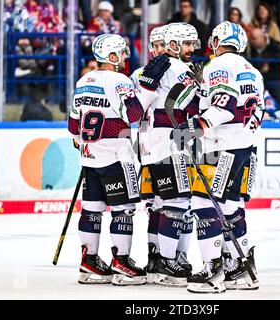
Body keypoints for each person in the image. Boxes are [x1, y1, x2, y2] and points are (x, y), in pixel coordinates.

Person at [67, 33, 171, 285]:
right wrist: (146, 88)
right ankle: (121, 262)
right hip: (116, 157)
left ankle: (89, 262)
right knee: (123, 210)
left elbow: (73, 126)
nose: (125, 57)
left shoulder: (83, 81)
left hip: (90, 158)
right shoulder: (120, 81)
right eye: (122, 53)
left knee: (91, 210)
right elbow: (133, 114)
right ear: (111, 56)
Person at [173, 21, 262, 293]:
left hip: (221, 146)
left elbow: (224, 106)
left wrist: (193, 127)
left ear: (216, 40)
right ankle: (240, 268)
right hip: (246, 146)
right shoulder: (253, 71)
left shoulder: (219, 66)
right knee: (231, 205)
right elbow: (256, 112)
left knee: (202, 204)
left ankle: (212, 270)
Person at [141, 22, 200, 287]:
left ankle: (158, 259)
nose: (191, 49)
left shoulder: (143, 73)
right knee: (179, 202)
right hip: (170, 144)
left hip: (149, 145)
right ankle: (168, 259)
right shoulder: (178, 68)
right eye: (187, 44)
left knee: (160, 204)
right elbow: (197, 107)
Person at [129, 24, 168, 283]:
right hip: (149, 147)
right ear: (152, 47)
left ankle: (163, 257)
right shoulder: (139, 73)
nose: (162, 50)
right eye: (158, 45)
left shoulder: (179, 70)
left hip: (169, 146)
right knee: (157, 204)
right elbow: (132, 111)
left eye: (166, 44)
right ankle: (156, 257)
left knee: (167, 205)